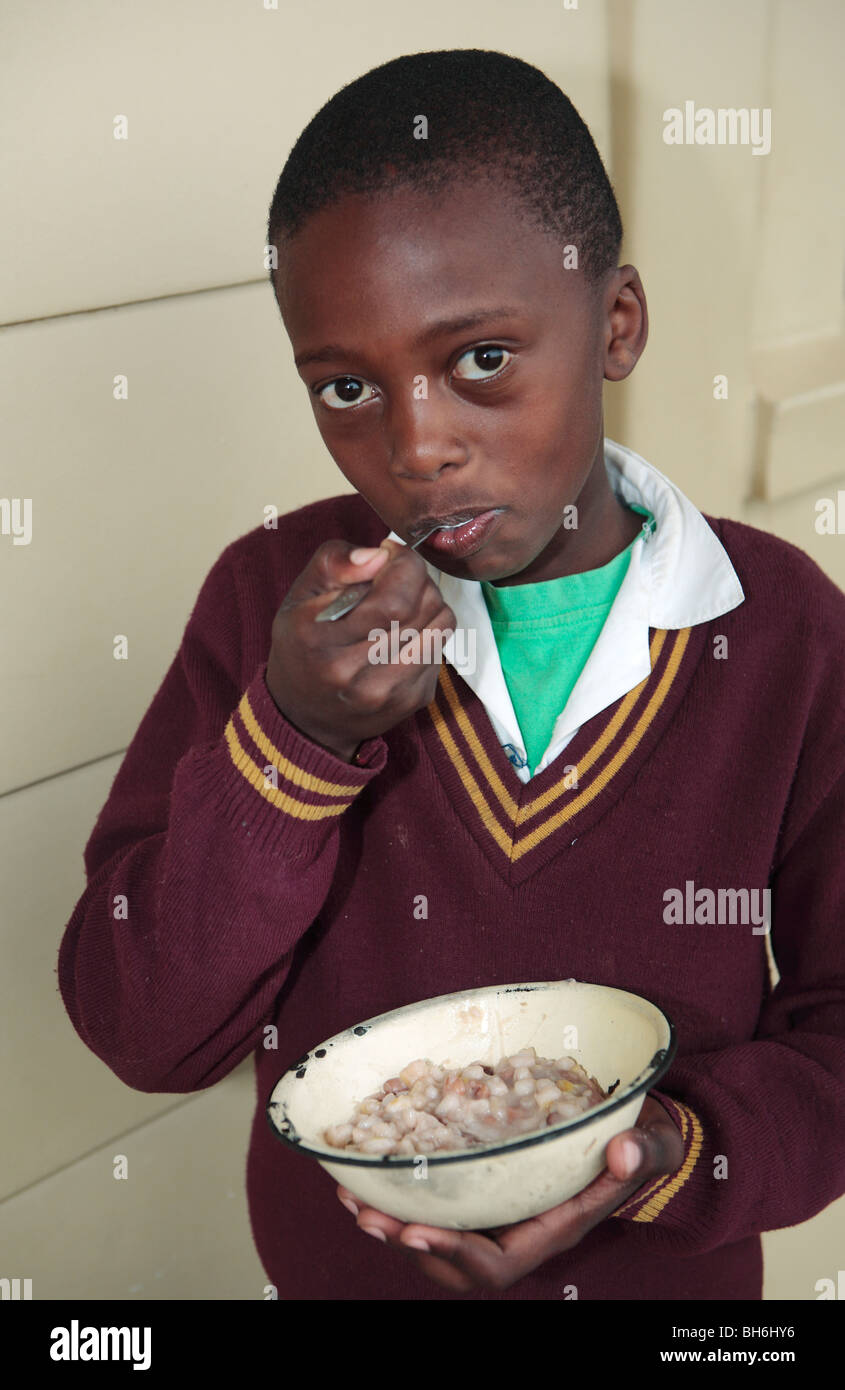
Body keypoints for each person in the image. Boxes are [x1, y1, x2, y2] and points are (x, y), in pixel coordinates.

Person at [58, 49, 845, 1300]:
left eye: (480, 358)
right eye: (349, 387)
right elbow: (140, 1026)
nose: (416, 446)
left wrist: (661, 1153)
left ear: (617, 324)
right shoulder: (271, 606)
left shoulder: (786, 637)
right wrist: (293, 744)